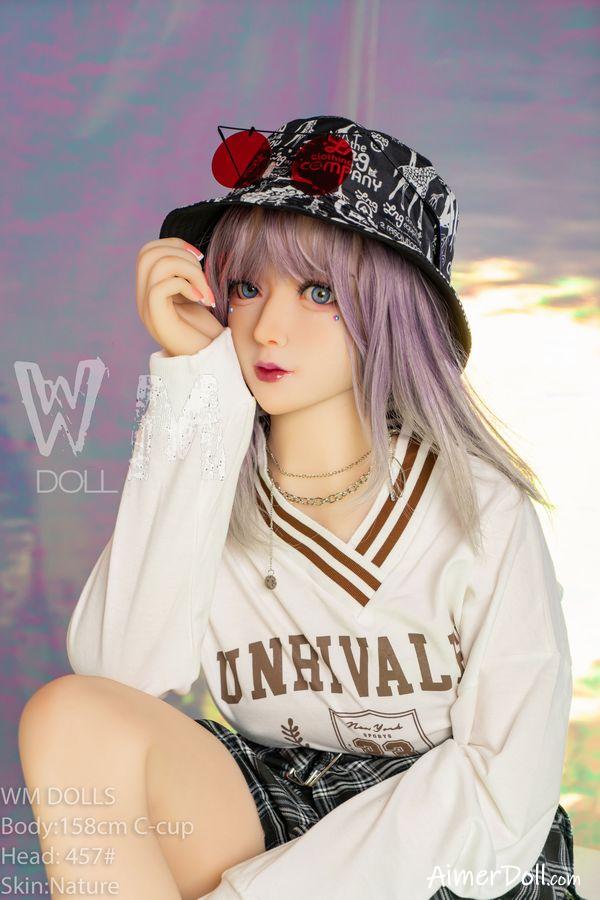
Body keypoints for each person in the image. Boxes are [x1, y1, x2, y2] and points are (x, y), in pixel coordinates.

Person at [18, 117, 583, 900]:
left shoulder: (478, 507)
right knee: (70, 715)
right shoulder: (212, 482)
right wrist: (196, 386)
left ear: (393, 308)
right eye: (246, 288)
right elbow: (121, 673)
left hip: (456, 844)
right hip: (278, 799)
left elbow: (503, 785)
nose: (267, 328)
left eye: (319, 292)